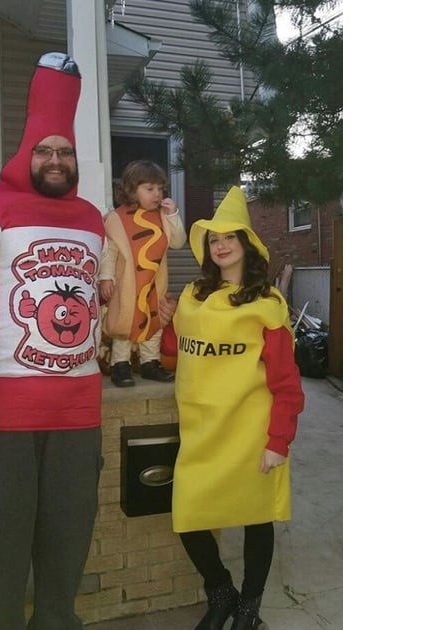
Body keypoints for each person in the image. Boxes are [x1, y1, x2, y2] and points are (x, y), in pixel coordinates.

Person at [0, 52, 105, 630]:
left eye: (65, 151)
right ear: (25, 154)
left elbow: (98, 302)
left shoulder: (91, 217)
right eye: (44, 150)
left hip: (79, 411)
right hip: (3, 411)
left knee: (67, 543)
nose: (55, 160)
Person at [165, 186, 305, 630]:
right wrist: (166, 322)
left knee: (255, 519)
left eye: (230, 237)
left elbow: (286, 383)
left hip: (251, 433)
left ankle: (249, 608)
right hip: (201, 432)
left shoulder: (267, 304)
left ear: (246, 243)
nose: (221, 245)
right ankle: (221, 592)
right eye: (214, 239)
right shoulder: (193, 295)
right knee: (188, 517)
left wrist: (278, 441)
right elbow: (173, 353)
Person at [99, 159, 185, 387]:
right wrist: (106, 277)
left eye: (160, 189)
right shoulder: (117, 218)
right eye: (149, 188)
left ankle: (150, 362)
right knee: (124, 322)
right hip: (126, 284)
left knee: (154, 321)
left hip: (154, 284)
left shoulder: (162, 217)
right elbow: (110, 251)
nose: (157, 194)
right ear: (131, 190)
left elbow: (178, 242)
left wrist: (173, 215)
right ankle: (120, 364)